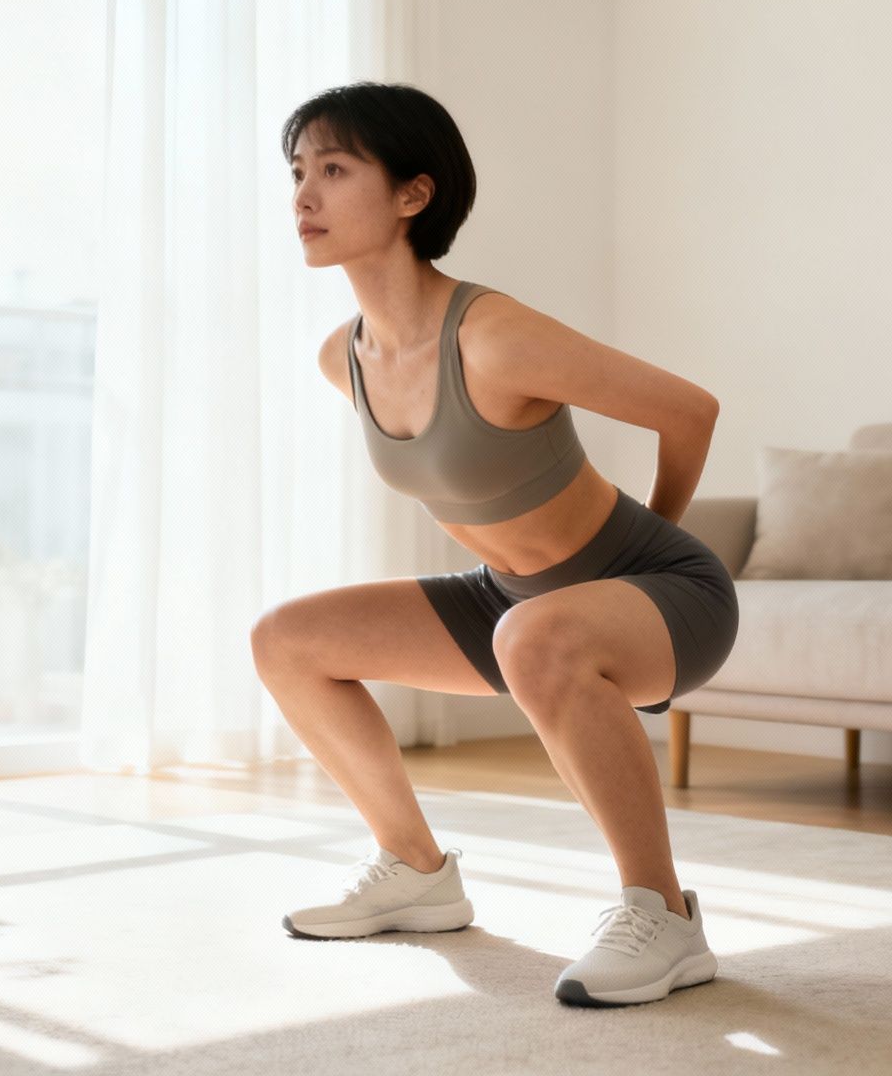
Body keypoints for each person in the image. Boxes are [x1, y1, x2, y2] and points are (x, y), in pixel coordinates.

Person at [249, 81, 739, 1008]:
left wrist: (660, 548)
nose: (303, 197)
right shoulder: (341, 356)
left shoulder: (495, 337)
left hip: (659, 589)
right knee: (286, 638)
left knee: (536, 636)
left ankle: (665, 916)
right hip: (510, 603)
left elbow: (690, 411)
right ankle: (415, 869)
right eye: (298, 172)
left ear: (412, 196)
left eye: (336, 170)